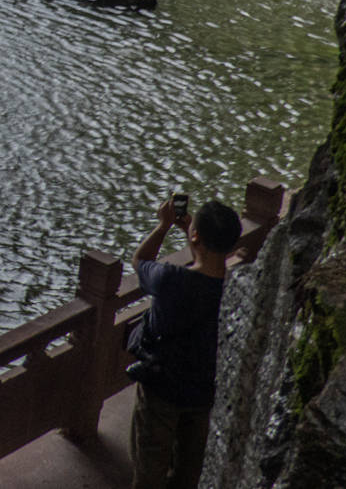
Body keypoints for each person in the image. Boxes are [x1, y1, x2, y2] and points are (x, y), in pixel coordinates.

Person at [128, 194, 244, 489]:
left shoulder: (170, 280)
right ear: (232, 245)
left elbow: (140, 261)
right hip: (203, 394)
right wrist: (194, 237)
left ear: (196, 237)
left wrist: (164, 226)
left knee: (148, 469)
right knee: (189, 472)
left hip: (160, 391)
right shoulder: (235, 290)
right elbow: (208, 270)